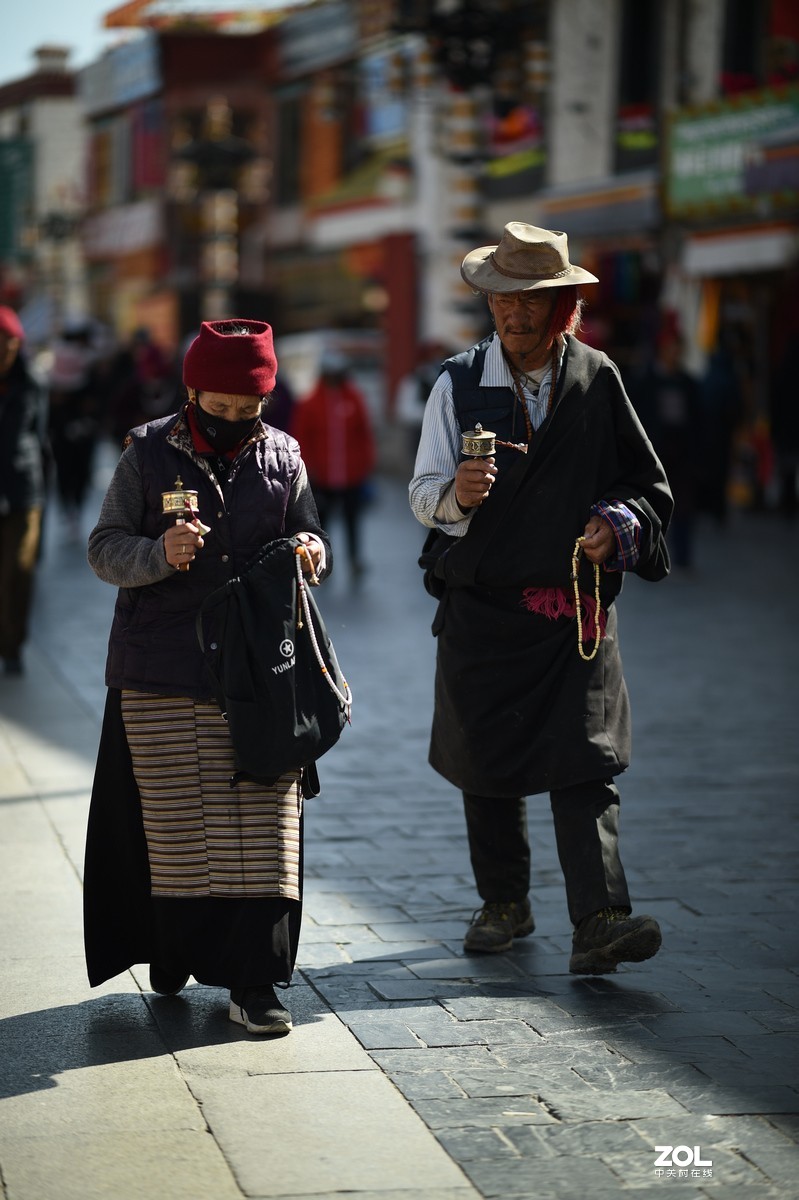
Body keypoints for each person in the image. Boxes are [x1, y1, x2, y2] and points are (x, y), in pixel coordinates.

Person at [409, 223, 673, 975]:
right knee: (484, 761)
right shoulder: (459, 384)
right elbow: (423, 494)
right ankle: (503, 902)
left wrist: (613, 522)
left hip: (575, 613)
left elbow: (646, 485)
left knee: (584, 761)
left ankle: (600, 918)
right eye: (501, 301)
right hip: (484, 609)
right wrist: (454, 499)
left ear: (563, 307)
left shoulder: (596, 378)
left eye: (530, 302)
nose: (514, 316)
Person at [83, 319, 331, 1035]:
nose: (229, 421)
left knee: (264, 829)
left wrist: (310, 554)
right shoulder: (147, 453)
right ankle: (175, 950)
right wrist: (159, 551)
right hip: (159, 670)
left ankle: (255, 983)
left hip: (261, 671)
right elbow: (104, 549)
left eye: (245, 409)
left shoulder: (284, 455)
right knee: (178, 829)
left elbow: (312, 533)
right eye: (215, 407)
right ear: (191, 390)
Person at [292, 349, 376, 581]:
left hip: (351, 475)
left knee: (352, 520)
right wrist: (309, 470)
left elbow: (364, 434)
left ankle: (355, 559)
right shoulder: (310, 403)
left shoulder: (354, 399)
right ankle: (320, 560)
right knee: (322, 522)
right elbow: (302, 438)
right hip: (322, 477)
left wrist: (366, 464)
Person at [628, 322, 702, 569]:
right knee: (652, 503)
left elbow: (697, 418)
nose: (673, 353)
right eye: (669, 347)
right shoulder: (644, 382)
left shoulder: (687, 383)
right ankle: (651, 556)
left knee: (684, 505)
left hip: (682, 451)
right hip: (654, 451)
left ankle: (683, 556)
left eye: (677, 348)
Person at [0, 306, 48, 676]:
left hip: (22, 490)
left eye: (9, 345)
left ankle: (13, 644)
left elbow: (36, 437)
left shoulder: (30, 381)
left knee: (19, 569)